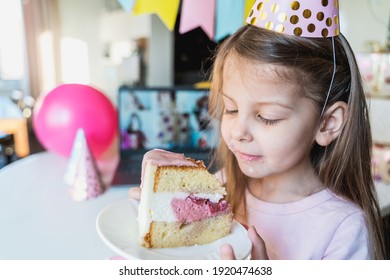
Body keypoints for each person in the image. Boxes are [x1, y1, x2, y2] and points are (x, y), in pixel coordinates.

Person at [130, 0, 387, 259]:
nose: (238, 131)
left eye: (267, 117)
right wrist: (157, 215)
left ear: (327, 123)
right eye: (231, 109)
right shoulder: (225, 185)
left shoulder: (344, 230)